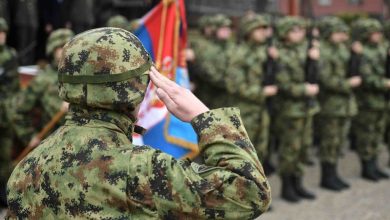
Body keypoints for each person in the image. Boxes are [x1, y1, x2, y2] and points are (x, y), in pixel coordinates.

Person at [6, 27, 271, 219]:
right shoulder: (142, 169)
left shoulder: (26, 168)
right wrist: (205, 117)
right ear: (136, 89)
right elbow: (250, 193)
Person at [274, 16, 320, 202]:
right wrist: (304, 89)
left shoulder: (307, 50)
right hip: (290, 110)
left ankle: (298, 183)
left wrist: (315, 59)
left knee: (303, 148)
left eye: (301, 30)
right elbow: (281, 83)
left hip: (307, 109)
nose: (299, 33)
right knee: (290, 149)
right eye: (295, 30)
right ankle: (287, 186)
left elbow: (317, 73)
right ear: (285, 33)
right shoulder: (279, 53)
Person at [5, 29, 73, 150]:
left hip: (80, 142)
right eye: (61, 46)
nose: (66, 51)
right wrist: (29, 137)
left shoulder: (82, 76)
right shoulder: (42, 80)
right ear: (53, 49)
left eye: (70, 46)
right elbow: (17, 111)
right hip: (53, 145)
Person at [225, 13, 278, 166]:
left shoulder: (263, 51)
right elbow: (234, 85)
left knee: (261, 151)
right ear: (249, 31)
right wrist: (261, 92)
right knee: (245, 155)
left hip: (261, 110)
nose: (263, 32)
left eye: (265, 29)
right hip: (246, 112)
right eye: (259, 29)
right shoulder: (240, 54)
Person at [316, 17, 361, 191]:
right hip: (331, 105)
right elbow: (326, 80)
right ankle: (326, 177)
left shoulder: (343, 49)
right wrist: (348, 84)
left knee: (339, 141)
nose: (342, 35)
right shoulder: (324, 52)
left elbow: (352, 69)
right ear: (329, 34)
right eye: (338, 32)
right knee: (329, 141)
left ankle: (334, 174)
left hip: (345, 104)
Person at [351, 18, 390, 181]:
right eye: (374, 32)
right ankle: (366, 167)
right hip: (367, 101)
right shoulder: (362, 52)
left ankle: (374, 164)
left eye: (379, 32)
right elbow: (366, 77)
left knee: (377, 134)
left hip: (382, 101)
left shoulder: (383, 48)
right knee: (366, 135)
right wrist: (384, 83)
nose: (378, 35)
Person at [0, 18, 19, 208]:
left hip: (6, 112)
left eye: (3, 33)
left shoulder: (11, 55)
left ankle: (4, 194)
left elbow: (14, 87)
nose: (1, 36)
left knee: (6, 156)